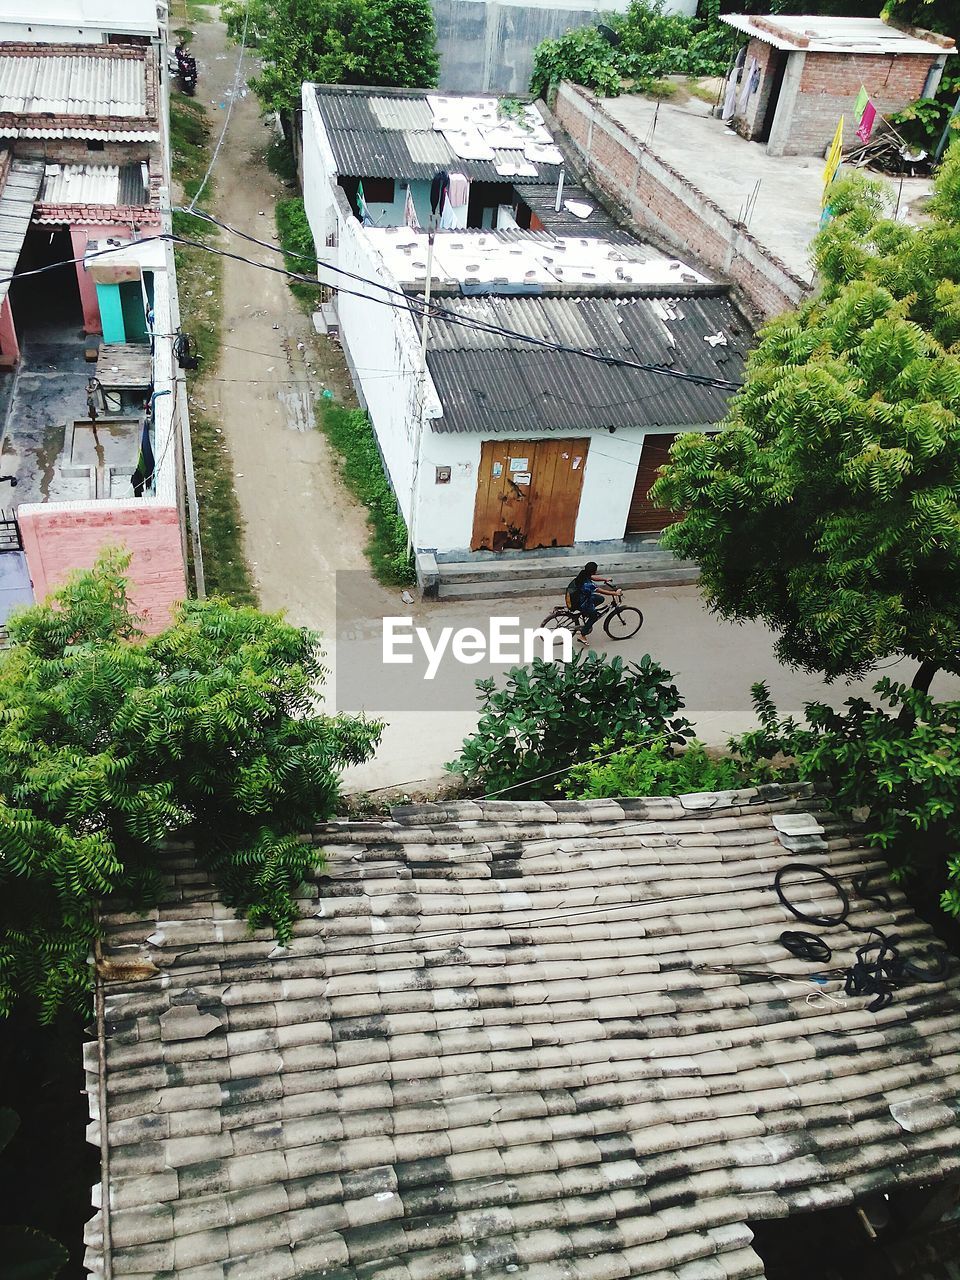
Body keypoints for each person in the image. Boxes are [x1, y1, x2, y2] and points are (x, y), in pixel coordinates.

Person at [566, 562, 617, 644]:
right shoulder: (588, 585)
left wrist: (604, 579)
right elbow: (601, 591)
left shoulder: (583, 573)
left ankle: (587, 612)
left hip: (579, 596)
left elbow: (592, 578)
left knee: (600, 599)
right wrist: (615, 593)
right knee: (594, 616)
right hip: (581, 602)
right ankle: (582, 635)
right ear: (594, 571)